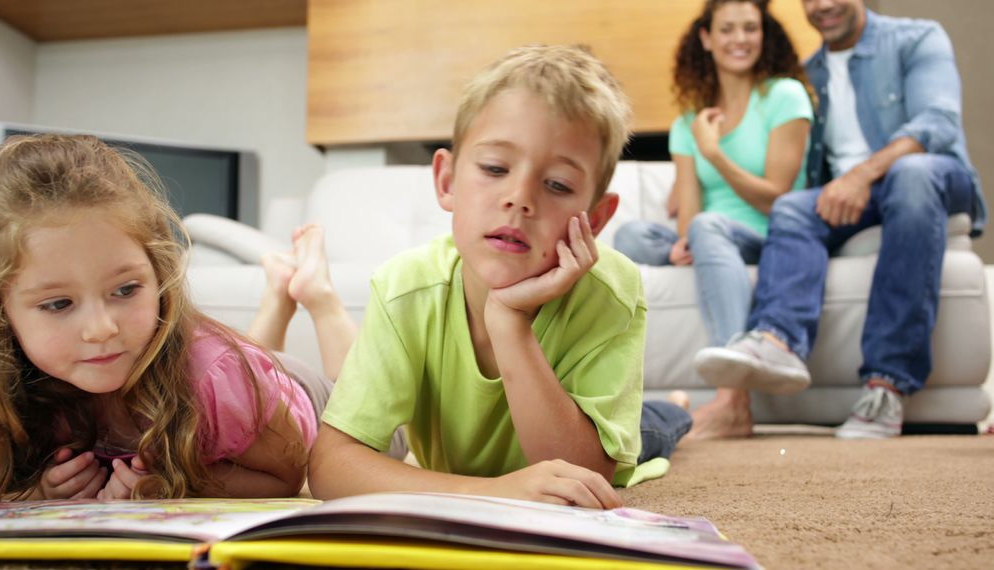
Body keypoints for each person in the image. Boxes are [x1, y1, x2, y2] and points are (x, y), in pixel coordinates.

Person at [306, 45, 692, 510]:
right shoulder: (405, 287)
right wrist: (491, 492)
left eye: (557, 185)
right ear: (447, 181)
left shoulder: (610, 290)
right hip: (505, 465)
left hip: (594, 427)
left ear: (597, 215)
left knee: (657, 427)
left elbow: (583, 477)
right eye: (494, 169)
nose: (519, 198)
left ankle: (681, 409)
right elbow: (330, 466)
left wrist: (508, 320)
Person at [0, 134, 401, 505]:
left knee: (376, 429)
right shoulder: (2, 378)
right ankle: (278, 299)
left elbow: (287, 477)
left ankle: (318, 296)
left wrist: (172, 486)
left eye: (126, 290)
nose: (101, 329)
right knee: (229, 382)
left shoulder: (216, 375)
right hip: (239, 382)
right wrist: (40, 492)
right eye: (58, 305)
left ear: (160, 273)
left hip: (289, 396)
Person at [693, 0, 985, 439]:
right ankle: (778, 341)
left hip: (932, 175)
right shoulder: (810, 74)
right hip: (855, 198)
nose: (823, 4)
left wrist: (863, 174)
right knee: (793, 207)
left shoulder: (917, 38)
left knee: (910, 174)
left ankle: (887, 384)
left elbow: (938, 123)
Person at [612, 0, 814, 440]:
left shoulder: (785, 96)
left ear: (764, 34)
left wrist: (714, 153)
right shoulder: (688, 123)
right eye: (727, 29)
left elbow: (779, 198)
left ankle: (732, 399)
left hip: (771, 235)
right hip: (710, 236)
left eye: (749, 28)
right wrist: (686, 240)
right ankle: (696, 252)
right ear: (706, 38)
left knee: (708, 226)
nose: (739, 39)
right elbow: (690, 204)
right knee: (629, 234)